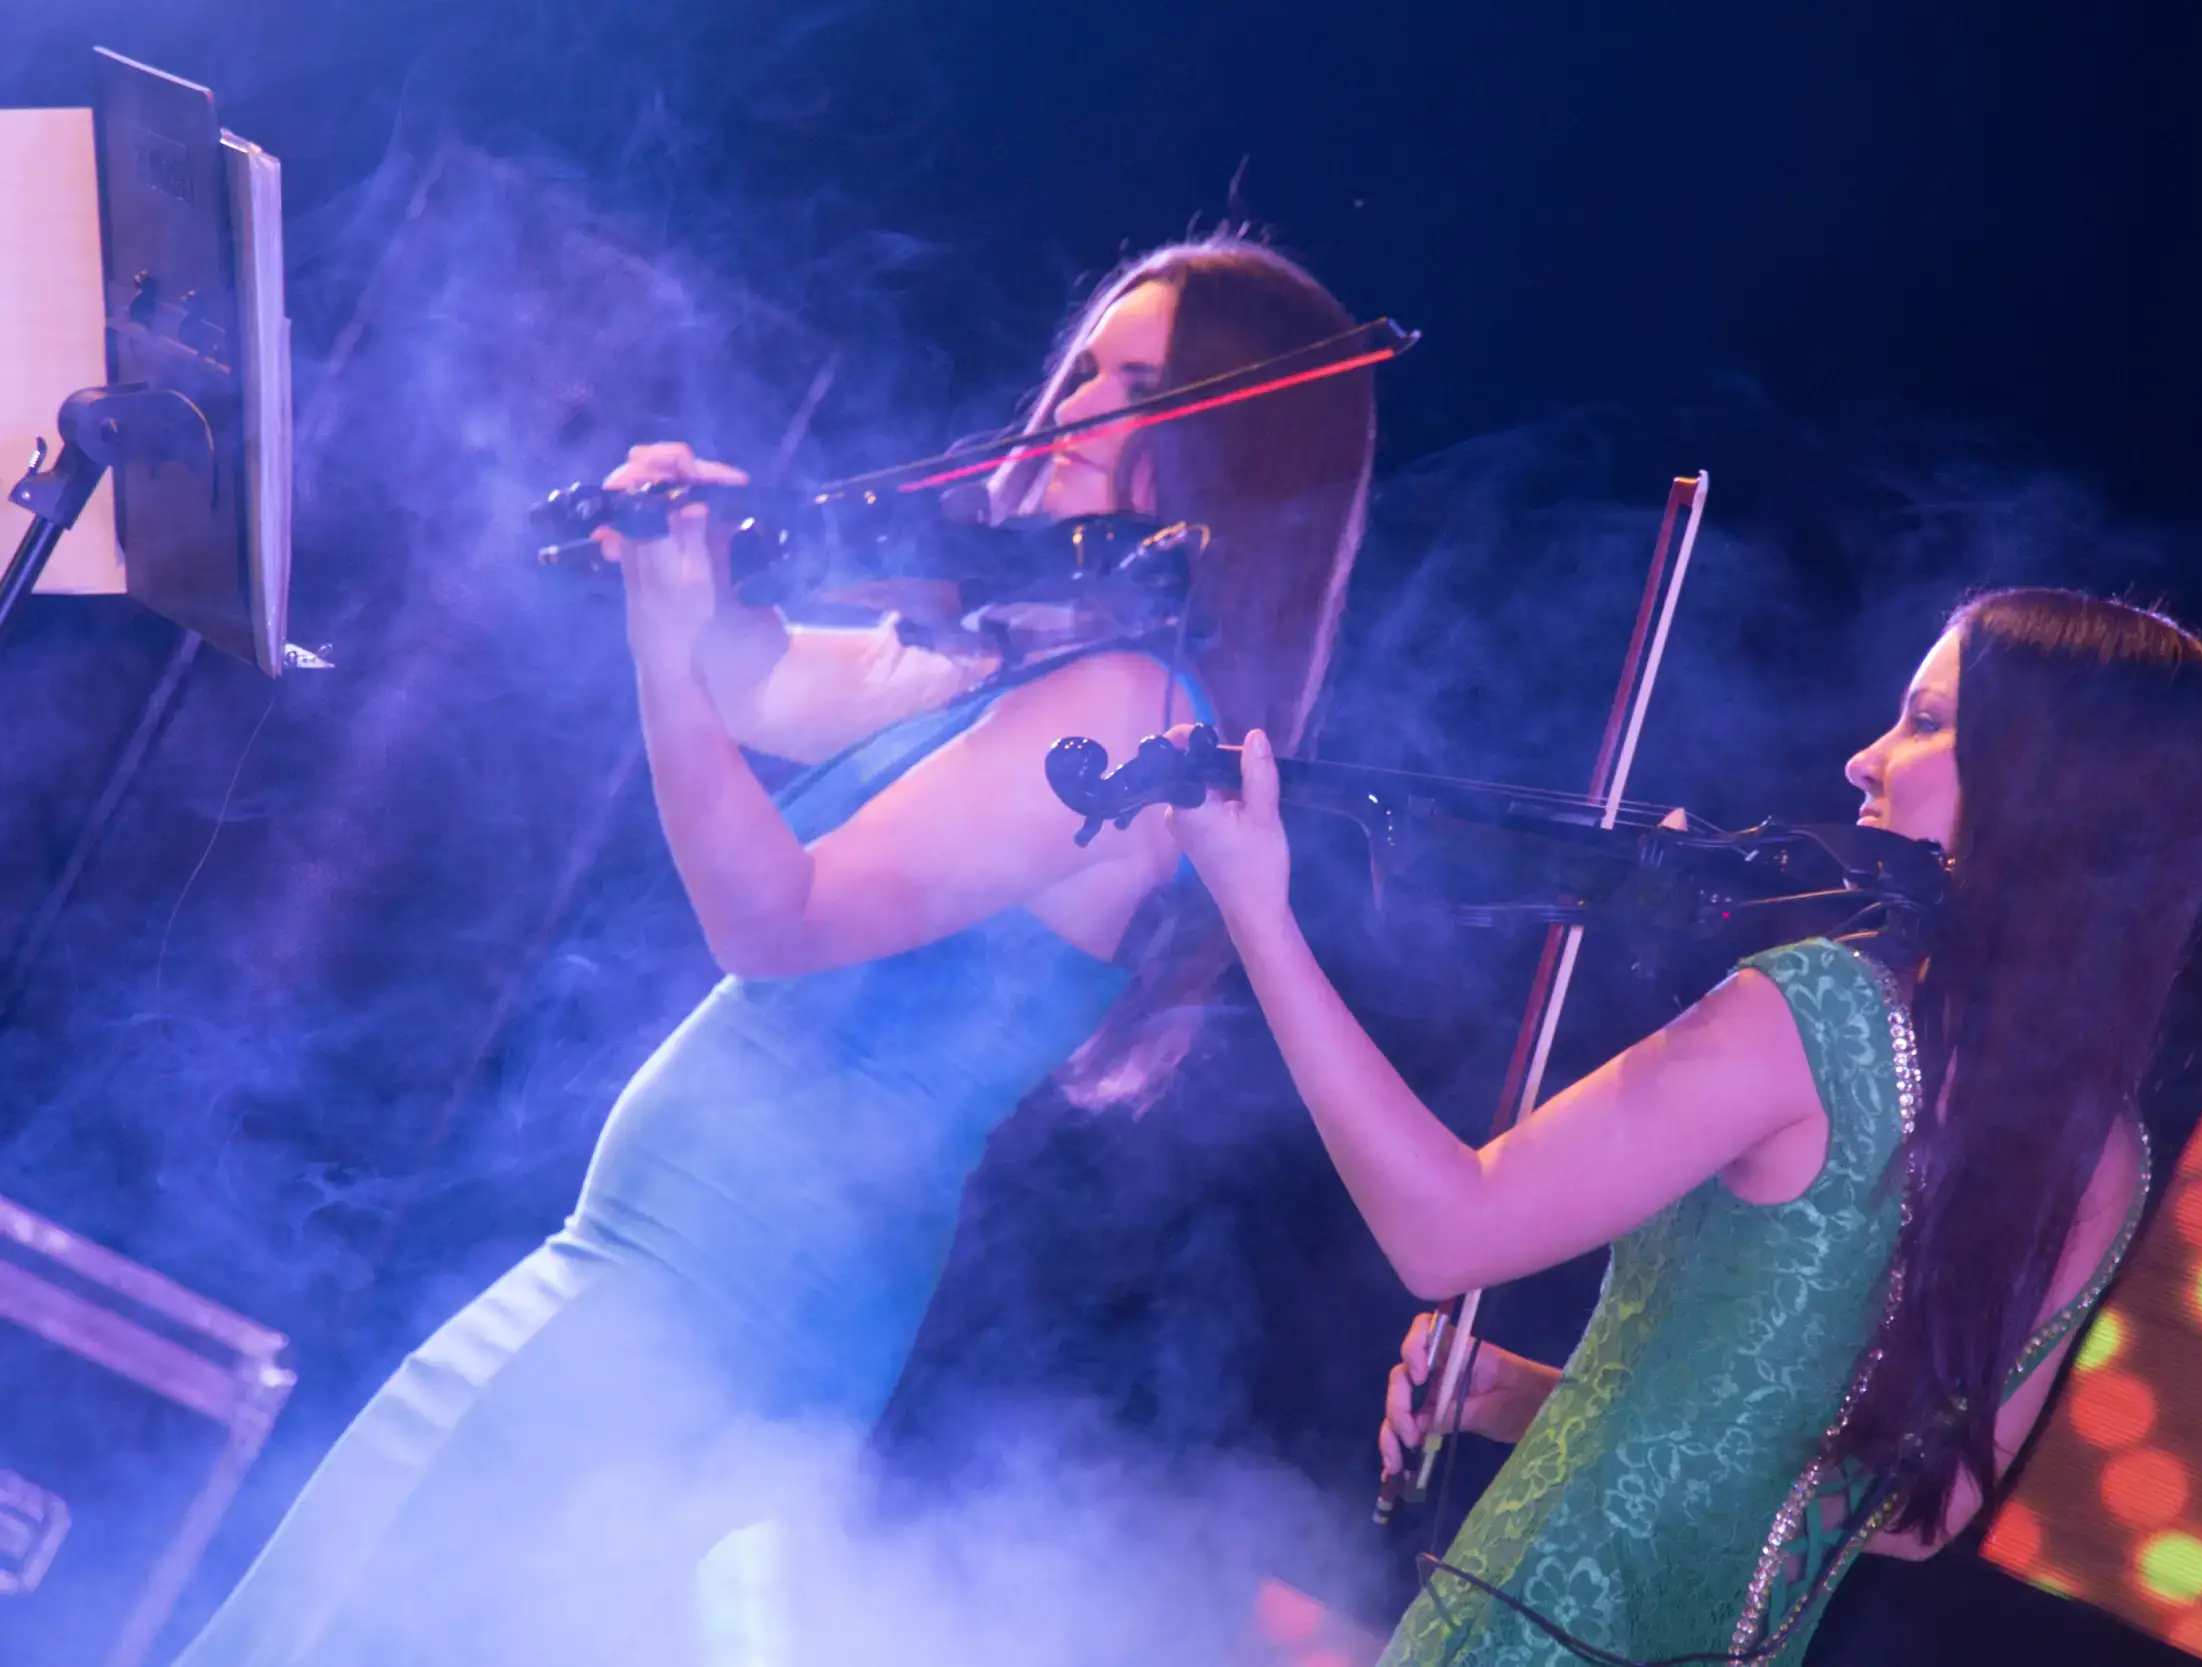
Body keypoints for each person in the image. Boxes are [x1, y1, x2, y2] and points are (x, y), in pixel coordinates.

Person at [172, 233, 1376, 1667]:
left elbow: (777, 916)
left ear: (1230, 462)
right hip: (656, 1266)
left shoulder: (1125, 705)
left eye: (1141, 389)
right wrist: (679, 580)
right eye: (1081, 373)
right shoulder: (1018, 655)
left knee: (367, 1615)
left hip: (723, 1296)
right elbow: (749, 669)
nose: (1071, 412)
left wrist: (666, 635)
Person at [1167, 590, 2202, 1665]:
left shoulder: (1813, 1012)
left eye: (1923, 719)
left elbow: (1444, 1231)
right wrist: (1568, 1405)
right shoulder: (2104, 1154)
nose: (1863, 758)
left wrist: (1258, 913)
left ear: (2040, 786)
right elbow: (1920, 1515)